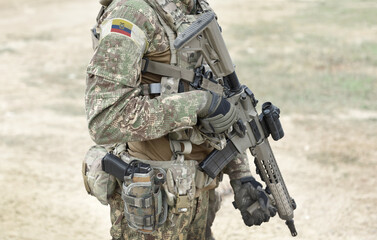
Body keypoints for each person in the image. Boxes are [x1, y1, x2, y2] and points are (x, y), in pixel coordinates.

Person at [84, 0, 276, 239]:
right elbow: (105, 120)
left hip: (200, 195)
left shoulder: (195, 9)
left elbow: (222, 95)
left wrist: (240, 174)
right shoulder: (133, 13)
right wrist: (198, 104)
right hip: (154, 202)